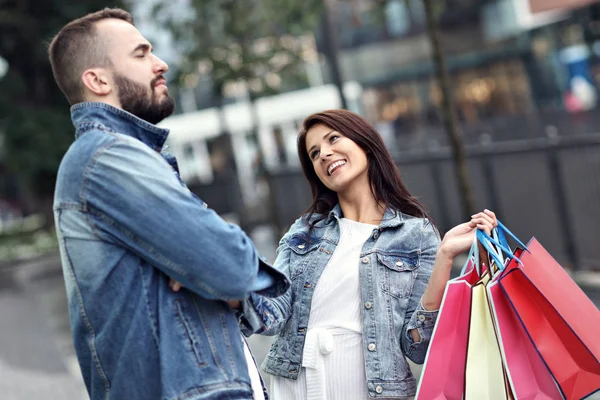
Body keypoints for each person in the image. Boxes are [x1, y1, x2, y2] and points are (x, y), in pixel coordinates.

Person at [48, 8, 289, 400]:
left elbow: (219, 270)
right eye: (141, 54)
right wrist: (209, 268)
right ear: (96, 79)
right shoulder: (108, 159)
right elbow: (229, 264)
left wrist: (203, 269)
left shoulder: (125, 156)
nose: (160, 64)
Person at [233, 109, 497, 399]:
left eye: (333, 138)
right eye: (314, 153)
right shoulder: (304, 230)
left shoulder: (415, 234)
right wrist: (225, 282)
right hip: (297, 386)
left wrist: (445, 257)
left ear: (364, 142)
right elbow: (273, 312)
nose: (324, 154)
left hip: (371, 388)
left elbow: (417, 347)